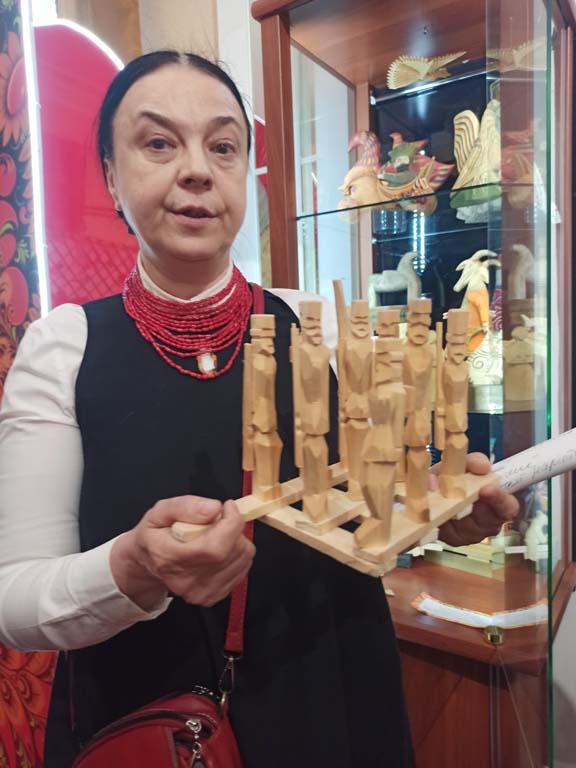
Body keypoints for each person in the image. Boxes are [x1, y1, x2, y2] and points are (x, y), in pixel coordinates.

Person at [0, 51, 519, 768]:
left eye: (223, 147)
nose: (196, 170)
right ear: (112, 177)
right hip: (147, 719)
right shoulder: (64, 348)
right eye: (158, 143)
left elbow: (370, 516)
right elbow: (16, 600)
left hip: (332, 699)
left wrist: (438, 515)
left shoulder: (321, 326)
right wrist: (131, 568)